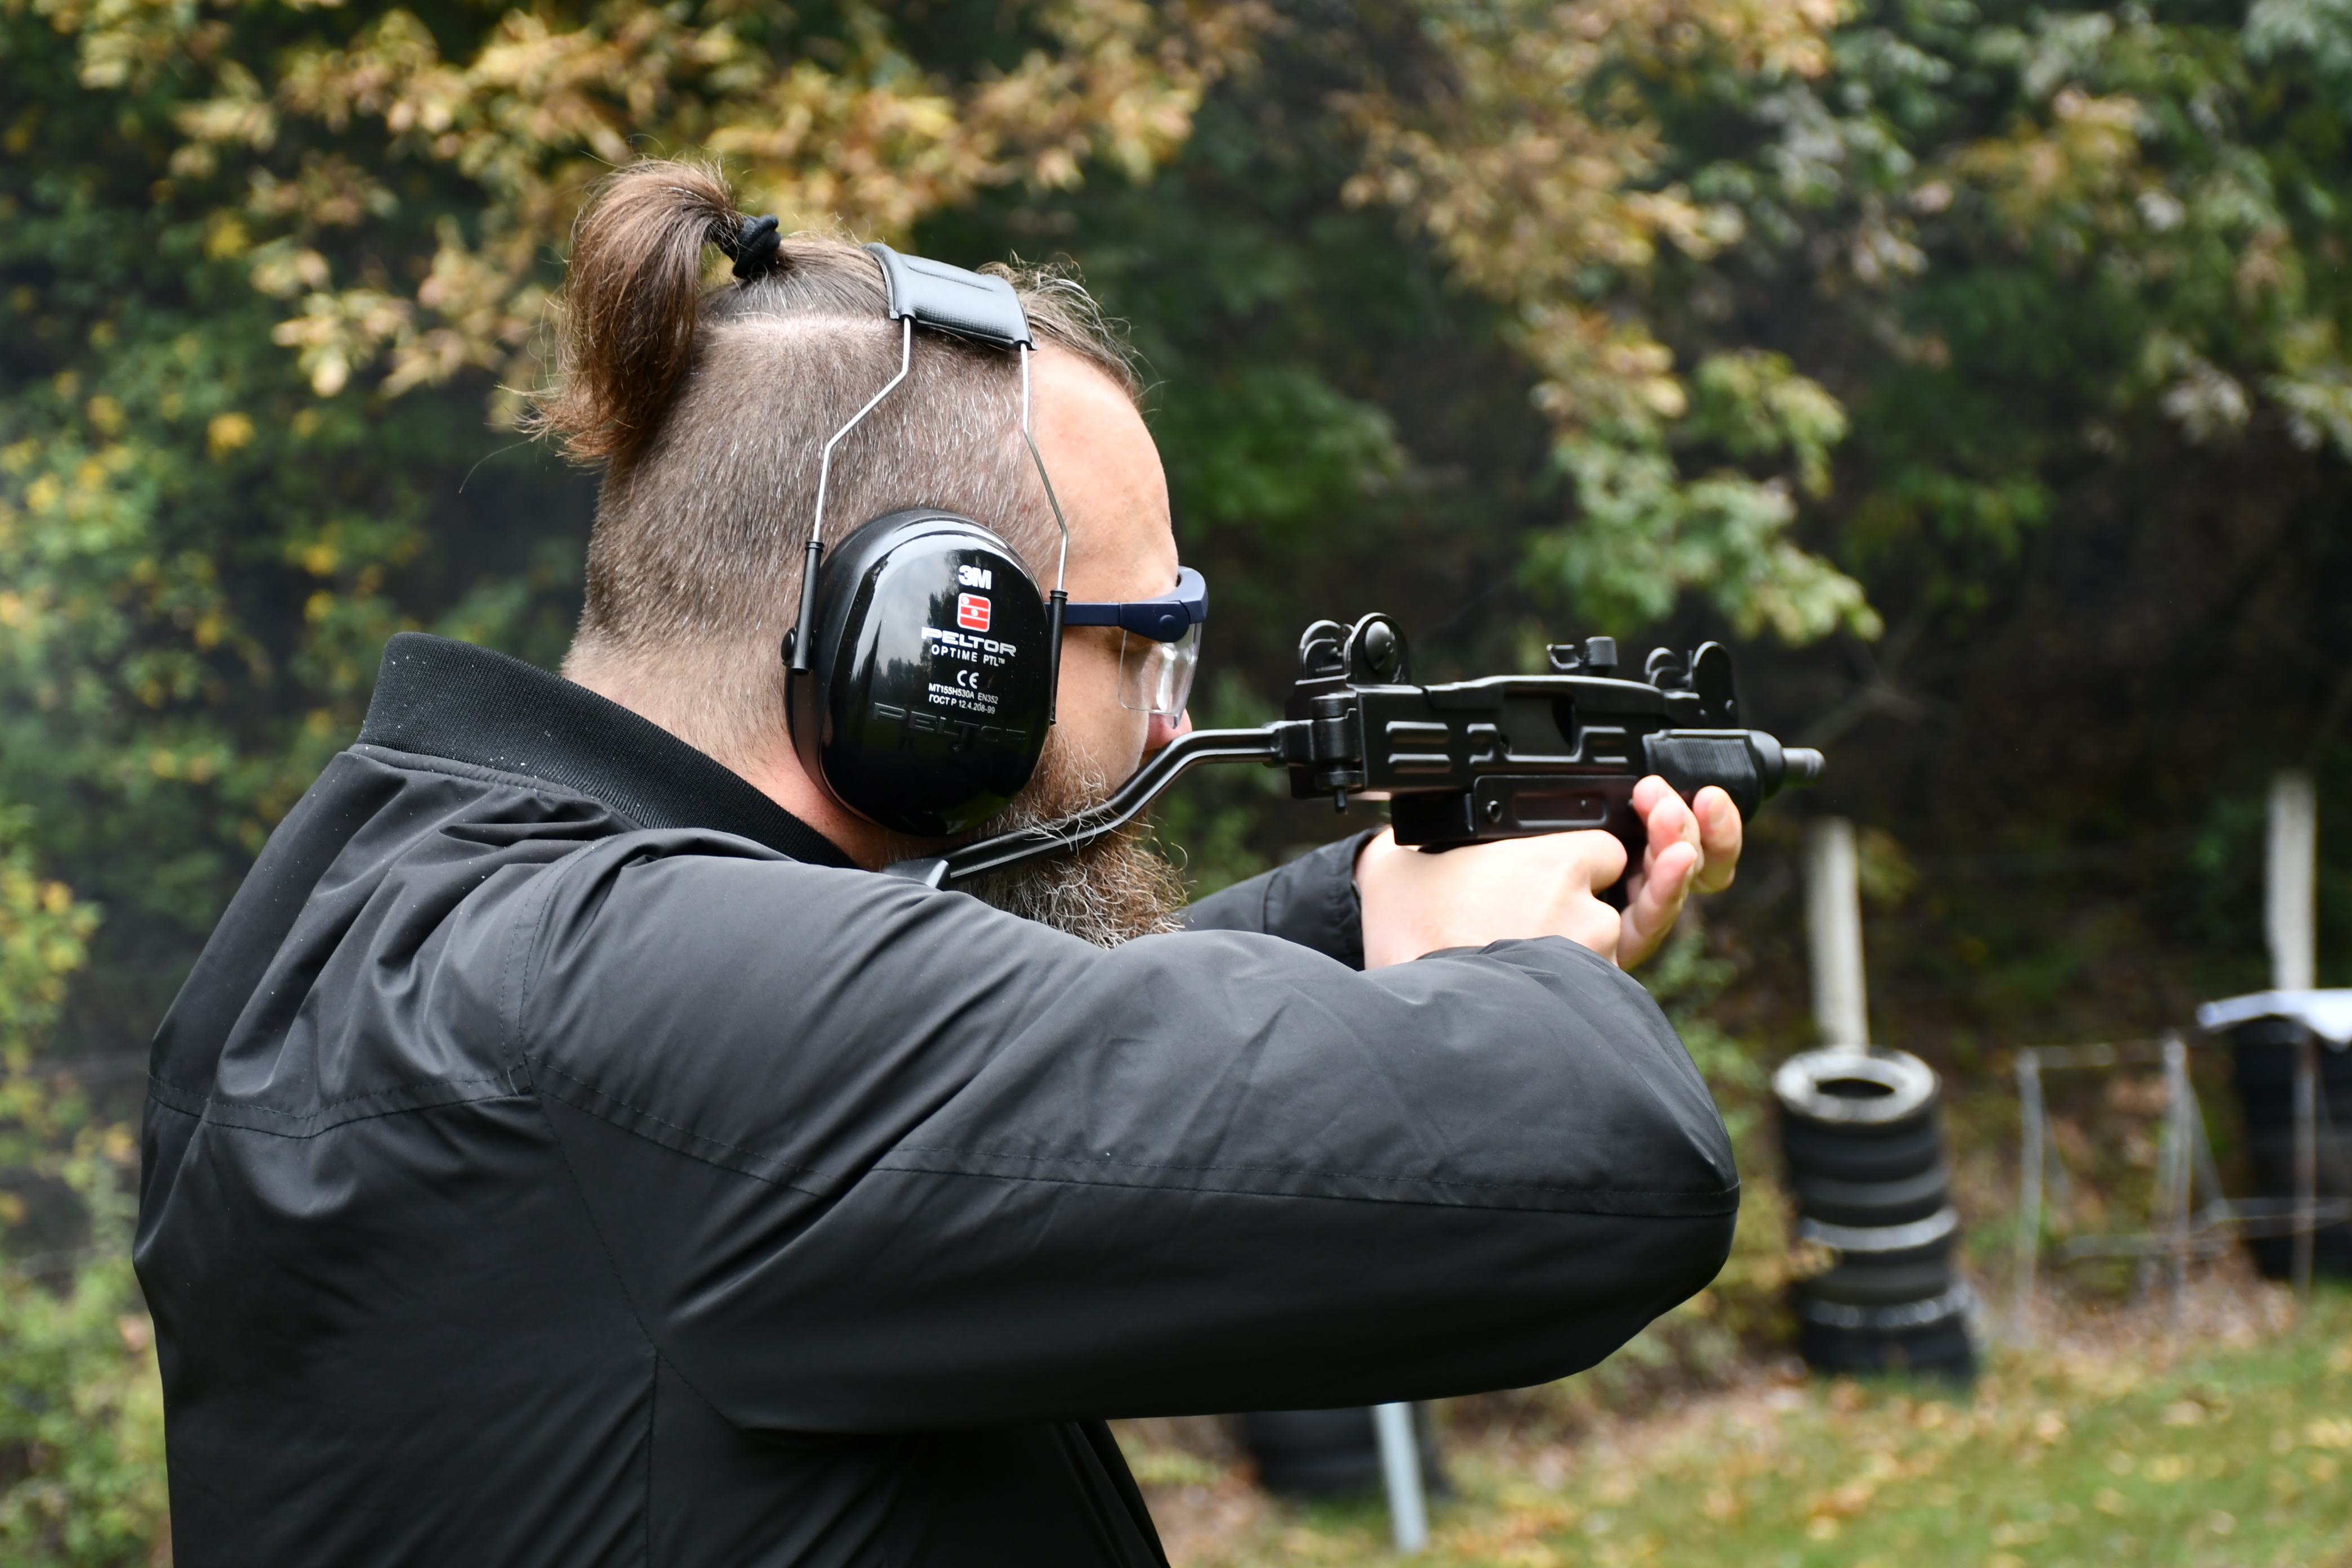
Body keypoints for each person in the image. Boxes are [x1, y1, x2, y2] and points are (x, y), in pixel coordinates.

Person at [135, 160, 1746, 1567]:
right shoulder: (643, 989)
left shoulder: (423, 915)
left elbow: (994, 1075)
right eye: (1143, 644)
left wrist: (1364, 909)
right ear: (937, 642)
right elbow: (1608, 1163)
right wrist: (1512, 975)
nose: (1168, 720)